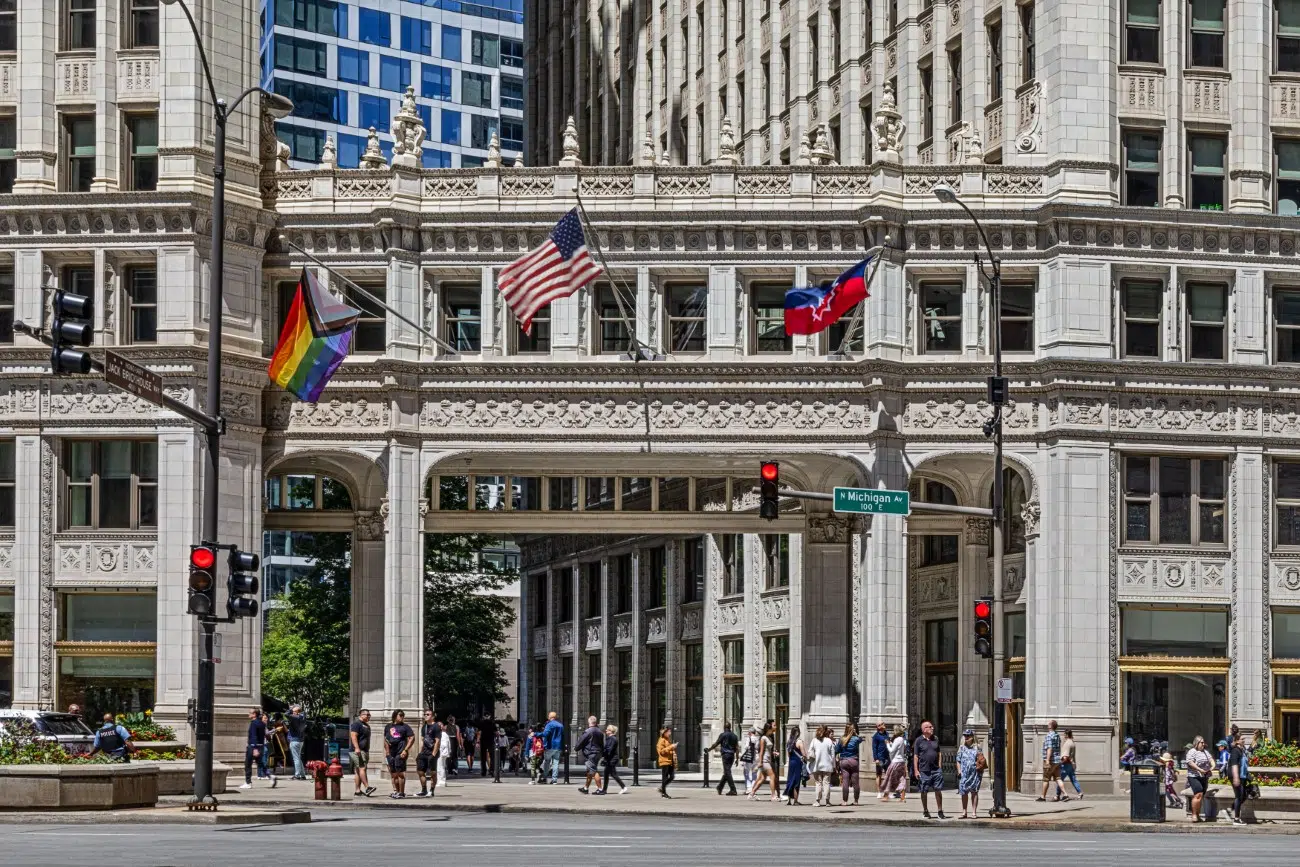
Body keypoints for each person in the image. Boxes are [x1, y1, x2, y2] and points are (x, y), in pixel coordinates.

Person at [913, 719, 946, 818]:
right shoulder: (918, 740)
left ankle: (940, 811)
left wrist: (940, 766)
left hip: (936, 770)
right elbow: (916, 756)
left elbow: (939, 753)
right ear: (924, 729)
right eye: (930, 727)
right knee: (924, 790)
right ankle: (925, 810)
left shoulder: (935, 738)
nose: (932, 728)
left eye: (932, 726)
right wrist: (916, 770)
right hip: (924, 770)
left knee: (938, 790)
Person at [384, 710, 414, 799]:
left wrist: (405, 750)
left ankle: (402, 792)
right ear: (394, 716)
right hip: (391, 753)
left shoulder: (405, 727)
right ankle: (397, 792)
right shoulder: (388, 726)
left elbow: (412, 738)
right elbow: (386, 740)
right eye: (400, 715)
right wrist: (387, 752)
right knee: (393, 774)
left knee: (400, 773)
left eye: (403, 715)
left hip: (400, 752)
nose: (402, 717)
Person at [1185, 734, 1215, 822]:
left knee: (1201, 795)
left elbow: (1211, 760)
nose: (1203, 744)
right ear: (1196, 743)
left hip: (1204, 776)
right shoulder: (1192, 751)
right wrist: (1199, 769)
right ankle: (1194, 815)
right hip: (1194, 776)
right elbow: (1190, 762)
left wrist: (1212, 767)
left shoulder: (1205, 752)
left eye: (1203, 742)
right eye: (1201, 742)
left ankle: (1197, 814)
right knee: (1198, 793)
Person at [956, 729, 984, 819]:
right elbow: (958, 760)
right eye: (965, 736)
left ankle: (974, 812)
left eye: (968, 736)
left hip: (975, 773)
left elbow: (981, 760)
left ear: (972, 737)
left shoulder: (977, 747)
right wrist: (959, 771)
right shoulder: (961, 748)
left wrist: (979, 770)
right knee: (964, 792)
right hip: (964, 773)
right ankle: (964, 811)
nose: (966, 737)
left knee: (974, 792)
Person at [808, 725, 837, 807]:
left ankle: (817, 801)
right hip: (827, 765)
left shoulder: (814, 740)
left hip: (816, 765)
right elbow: (833, 754)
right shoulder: (829, 741)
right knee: (826, 783)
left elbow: (810, 752)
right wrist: (834, 765)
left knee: (818, 783)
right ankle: (827, 801)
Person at [349, 708, 375, 797]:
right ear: (361, 715)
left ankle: (357, 791)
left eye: (369, 715)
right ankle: (367, 787)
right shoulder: (357, 724)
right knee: (362, 768)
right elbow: (353, 736)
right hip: (358, 750)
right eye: (367, 715)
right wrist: (357, 748)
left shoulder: (366, 725)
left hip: (364, 750)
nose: (368, 716)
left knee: (358, 771)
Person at [575, 715, 604, 794]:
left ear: (589, 722)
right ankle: (586, 788)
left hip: (591, 753)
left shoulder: (588, 731)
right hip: (598, 753)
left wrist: (576, 748)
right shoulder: (600, 732)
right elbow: (602, 744)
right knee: (590, 770)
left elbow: (581, 740)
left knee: (594, 771)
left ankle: (600, 789)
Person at [416, 709, 442, 797]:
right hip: (424, 752)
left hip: (432, 753)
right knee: (420, 771)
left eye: (428, 714)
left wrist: (433, 754)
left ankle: (432, 790)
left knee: (432, 772)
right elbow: (422, 740)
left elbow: (437, 741)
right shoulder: (424, 727)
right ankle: (424, 790)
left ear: (433, 716)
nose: (425, 716)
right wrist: (420, 753)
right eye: (425, 714)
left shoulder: (436, 727)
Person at [240, 707, 267, 789]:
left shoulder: (253, 723)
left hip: (252, 746)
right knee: (260, 763)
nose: (248, 714)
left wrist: (254, 748)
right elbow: (263, 736)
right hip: (260, 746)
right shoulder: (262, 723)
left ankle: (248, 783)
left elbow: (254, 736)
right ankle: (270, 776)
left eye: (250, 713)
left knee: (248, 764)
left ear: (254, 714)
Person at [710, 722, 740, 796]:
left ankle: (733, 789)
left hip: (726, 755)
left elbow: (716, 743)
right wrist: (737, 758)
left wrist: (709, 749)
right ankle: (720, 787)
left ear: (724, 727)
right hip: (731, 755)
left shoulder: (723, 735)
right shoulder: (735, 736)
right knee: (727, 772)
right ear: (730, 727)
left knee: (727, 772)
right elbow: (737, 748)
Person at [880, 724, 908, 801]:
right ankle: (902, 796)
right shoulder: (902, 739)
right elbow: (898, 749)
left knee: (889, 777)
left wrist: (887, 744)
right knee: (901, 778)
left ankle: (886, 796)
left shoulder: (897, 739)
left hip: (895, 761)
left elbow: (891, 751)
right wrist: (891, 744)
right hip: (901, 761)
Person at [838, 724, 863, 806]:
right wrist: (856, 733)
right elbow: (861, 739)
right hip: (854, 761)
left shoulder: (841, 739)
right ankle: (856, 800)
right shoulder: (856, 739)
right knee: (855, 782)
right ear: (853, 730)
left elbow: (837, 750)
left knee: (845, 781)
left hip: (844, 761)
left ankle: (844, 801)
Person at [598, 724, 628, 794]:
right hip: (610, 759)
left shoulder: (612, 739)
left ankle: (623, 787)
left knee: (613, 774)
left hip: (611, 759)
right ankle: (604, 790)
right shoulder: (611, 738)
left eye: (607, 730)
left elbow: (609, 749)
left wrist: (603, 754)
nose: (606, 730)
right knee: (606, 774)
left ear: (611, 731)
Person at [1038, 719, 1062, 802]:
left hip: (1050, 760)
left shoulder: (1049, 736)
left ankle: (1043, 797)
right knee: (1058, 778)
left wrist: (1047, 760)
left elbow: (1049, 748)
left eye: (1049, 724)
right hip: (1057, 760)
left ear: (1051, 726)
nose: (1048, 725)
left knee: (1046, 778)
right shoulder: (1057, 735)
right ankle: (1065, 794)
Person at [782, 725, 806, 806]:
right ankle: (795, 801)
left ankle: (789, 800)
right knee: (796, 781)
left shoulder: (789, 742)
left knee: (790, 780)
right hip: (797, 763)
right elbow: (804, 754)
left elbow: (788, 755)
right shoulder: (799, 742)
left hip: (791, 763)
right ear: (798, 732)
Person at [1228, 733, 1249, 825]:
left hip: (1243, 775)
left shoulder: (1242, 750)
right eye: (1242, 739)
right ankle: (1236, 819)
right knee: (1239, 796)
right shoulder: (1235, 751)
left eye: (1244, 739)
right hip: (1236, 775)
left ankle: (1231, 809)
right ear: (1237, 741)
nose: (1243, 740)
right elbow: (1234, 764)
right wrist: (1236, 778)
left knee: (1243, 795)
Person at [266, 712, 290, 789]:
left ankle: (273, 769)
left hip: (277, 742)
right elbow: (286, 731)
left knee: (275, 755)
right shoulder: (280, 723)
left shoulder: (276, 723)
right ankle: (274, 768)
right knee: (278, 755)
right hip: (280, 742)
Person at [1058, 728, 1082, 800]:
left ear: (1066, 734)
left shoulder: (1067, 743)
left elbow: (1065, 756)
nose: (1063, 735)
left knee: (1059, 780)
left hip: (1066, 765)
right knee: (1073, 779)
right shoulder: (1072, 742)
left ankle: (1057, 795)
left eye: (1064, 734)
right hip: (1071, 764)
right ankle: (1080, 792)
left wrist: (1060, 763)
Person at [542, 711, 565, 784]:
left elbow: (545, 734)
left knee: (547, 762)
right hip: (558, 747)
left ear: (550, 717)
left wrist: (536, 734)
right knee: (556, 763)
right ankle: (554, 779)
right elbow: (562, 737)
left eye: (548, 716)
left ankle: (545, 777)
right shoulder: (560, 725)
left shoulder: (549, 725)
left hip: (550, 746)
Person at [287, 704, 308, 780]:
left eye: (294, 711)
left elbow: (286, 714)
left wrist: (291, 708)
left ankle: (297, 775)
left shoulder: (295, 717)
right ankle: (302, 775)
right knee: (298, 758)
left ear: (296, 711)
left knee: (296, 758)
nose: (293, 712)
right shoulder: (303, 718)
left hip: (294, 740)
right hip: (300, 740)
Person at [656, 725, 678, 798]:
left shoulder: (667, 739)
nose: (670, 733)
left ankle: (662, 789)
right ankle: (663, 792)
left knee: (672, 776)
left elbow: (669, 749)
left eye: (670, 731)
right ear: (664, 732)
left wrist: (673, 747)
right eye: (669, 731)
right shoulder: (661, 740)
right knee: (665, 777)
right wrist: (671, 747)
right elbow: (661, 752)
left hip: (670, 761)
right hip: (664, 761)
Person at [740, 726, 761, 796]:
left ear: (750, 732)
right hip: (756, 758)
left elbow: (746, 747)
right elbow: (758, 747)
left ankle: (749, 788)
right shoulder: (757, 739)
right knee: (754, 773)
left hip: (749, 758)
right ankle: (752, 787)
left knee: (746, 772)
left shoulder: (748, 738)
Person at [871, 721, 890, 794]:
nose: (884, 724)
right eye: (882, 724)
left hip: (887, 757)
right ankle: (879, 792)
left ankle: (886, 791)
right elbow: (874, 748)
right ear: (878, 727)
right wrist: (876, 759)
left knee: (888, 774)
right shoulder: (876, 736)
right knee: (879, 774)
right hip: (880, 757)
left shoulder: (887, 734)